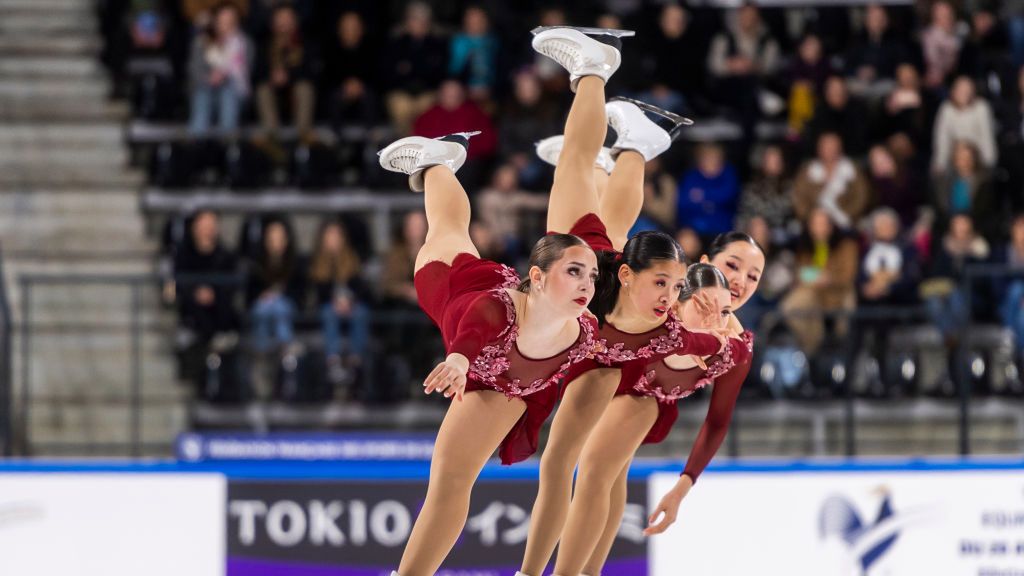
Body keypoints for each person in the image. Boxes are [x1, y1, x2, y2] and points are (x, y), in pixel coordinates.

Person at [518, 28, 726, 576]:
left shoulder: (665, 329)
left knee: (581, 467)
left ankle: (635, 142)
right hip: (590, 264)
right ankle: (593, 69)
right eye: (662, 284)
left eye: (675, 287)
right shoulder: (601, 272)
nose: (670, 297)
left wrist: (721, 332)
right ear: (631, 276)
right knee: (575, 169)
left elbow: (716, 346)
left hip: (600, 357)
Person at [378, 130, 602, 576]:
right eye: (574, 272)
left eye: (591, 276)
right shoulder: (492, 308)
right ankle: (439, 160)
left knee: (455, 478)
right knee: (445, 231)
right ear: (538, 277)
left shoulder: (587, 329)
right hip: (457, 291)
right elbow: (473, 332)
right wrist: (458, 361)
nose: (586, 285)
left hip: (511, 379)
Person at [552, 264, 755, 576]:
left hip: (647, 398)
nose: (716, 321)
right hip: (603, 368)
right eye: (704, 308)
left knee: (596, 470)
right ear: (675, 305)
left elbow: (717, 420)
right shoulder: (657, 321)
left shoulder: (730, 350)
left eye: (726, 311)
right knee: (606, 473)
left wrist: (680, 490)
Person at [781, 207, 859, 354]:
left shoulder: (846, 246)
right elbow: (800, 273)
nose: (819, 228)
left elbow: (849, 275)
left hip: (839, 293)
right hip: (813, 293)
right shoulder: (805, 247)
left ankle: (841, 350)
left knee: (848, 310)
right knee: (791, 306)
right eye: (815, 224)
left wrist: (829, 278)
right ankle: (813, 347)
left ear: (831, 226)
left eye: (823, 223)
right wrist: (809, 279)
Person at [308, 219, 371, 382]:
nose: (334, 240)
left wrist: (349, 301)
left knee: (361, 313)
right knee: (329, 312)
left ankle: (355, 360)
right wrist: (335, 301)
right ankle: (333, 360)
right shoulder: (316, 263)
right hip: (328, 307)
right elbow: (317, 293)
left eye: (337, 236)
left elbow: (361, 289)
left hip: (351, 306)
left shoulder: (352, 259)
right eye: (330, 236)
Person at [187, 2, 251, 134]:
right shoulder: (201, 42)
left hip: (235, 94)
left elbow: (245, 74)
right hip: (205, 91)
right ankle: (197, 141)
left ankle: (228, 141)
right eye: (222, 21)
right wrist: (209, 78)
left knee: (228, 92)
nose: (226, 26)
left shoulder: (245, 44)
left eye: (230, 22)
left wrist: (225, 74)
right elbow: (194, 71)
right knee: (203, 93)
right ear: (214, 22)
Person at [245, 218, 305, 352]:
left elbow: (300, 294)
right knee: (263, 308)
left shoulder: (295, 264)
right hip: (262, 306)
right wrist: (264, 296)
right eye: (272, 238)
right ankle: (264, 350)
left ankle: (284, 348)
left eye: (279, 237)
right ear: (266, 240)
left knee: (279, 306)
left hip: (287, 306)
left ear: (286, 240)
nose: (276, 242)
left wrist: (278, 296)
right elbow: (250, 296)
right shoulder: (256, 265)